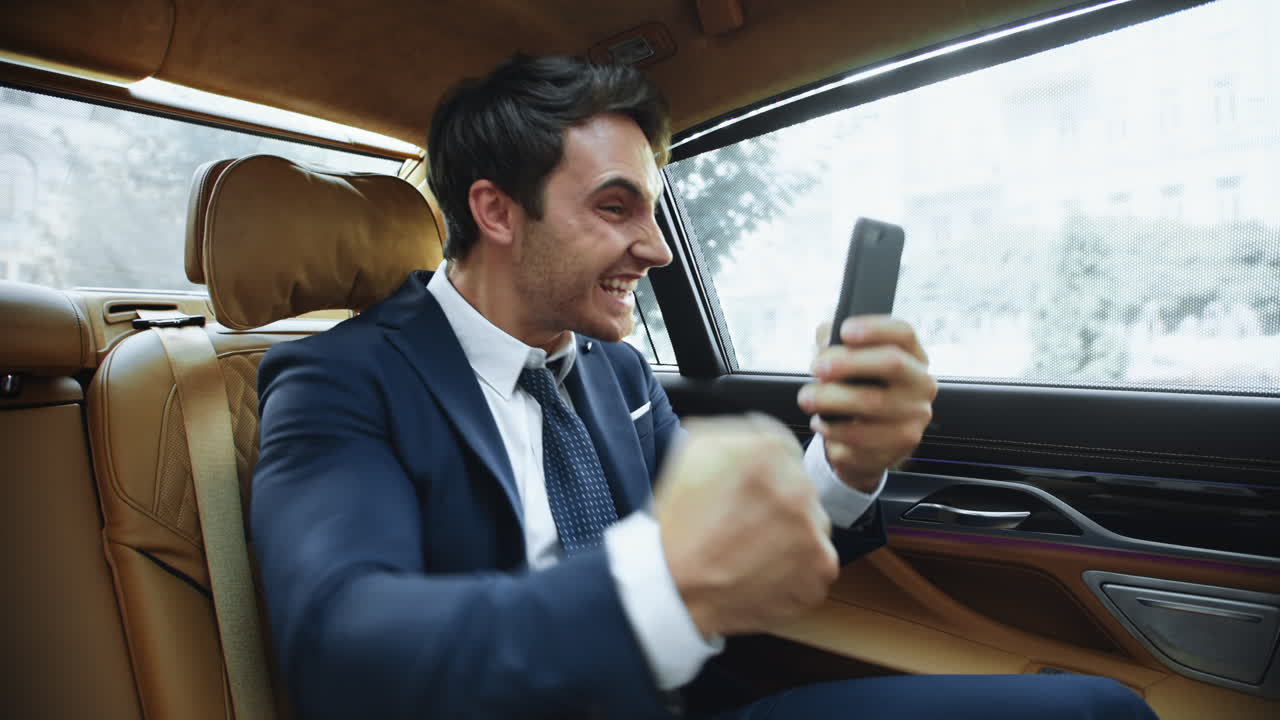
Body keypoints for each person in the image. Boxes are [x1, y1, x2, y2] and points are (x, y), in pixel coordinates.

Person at [250, 55, 1157, 720]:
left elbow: (727, 549)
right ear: (495, 212)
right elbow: (340, 648)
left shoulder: (616, 370)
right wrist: (664, 587)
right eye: (617, 207)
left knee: (1095, 713)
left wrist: (845, 465)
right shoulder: (339, 382)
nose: (659, 247)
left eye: (654, 206)